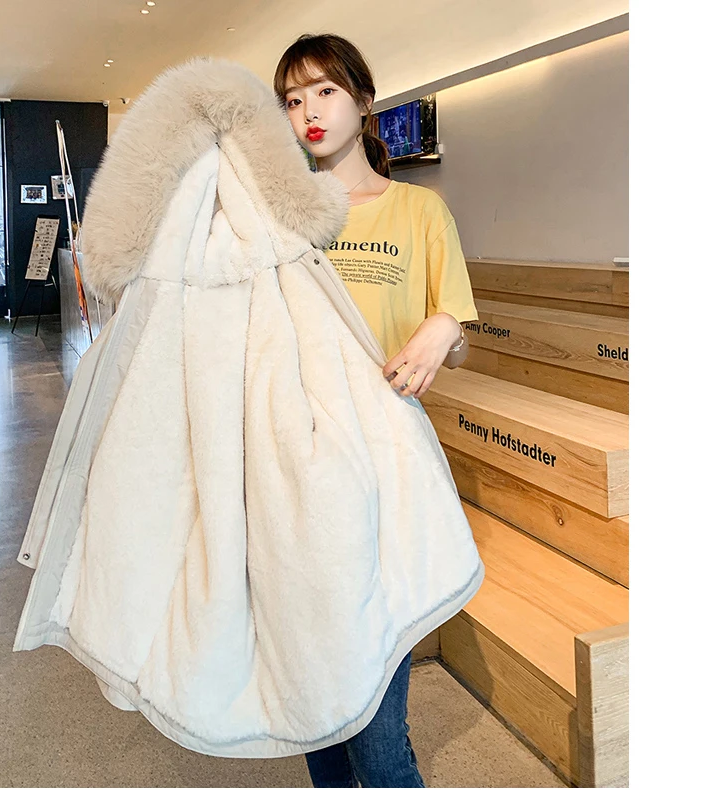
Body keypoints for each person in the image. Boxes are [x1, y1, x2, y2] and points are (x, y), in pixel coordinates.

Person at [273, 33, 479, 788]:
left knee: (379, 719)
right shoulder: (281, 222)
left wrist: (444, 328)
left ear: (364, 101)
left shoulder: (419, 210)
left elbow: (456, 346)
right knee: (316, 694)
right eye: (292, 99)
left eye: (325, 91)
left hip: (389, 465)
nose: (308, 111)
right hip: (298, 465)